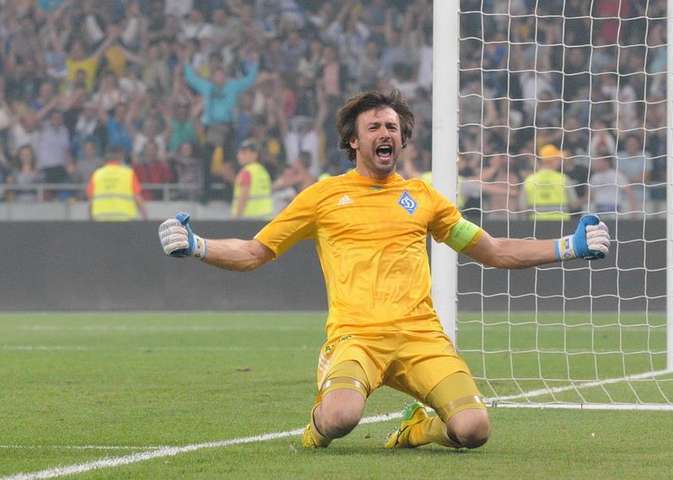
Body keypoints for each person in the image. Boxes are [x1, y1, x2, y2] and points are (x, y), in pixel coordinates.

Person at [158, 90, 610, 450]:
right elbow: (256, 251)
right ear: (354, 141)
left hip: (421, 338)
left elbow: (492, 251)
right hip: (357, 338)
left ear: (402, 139)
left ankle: (417, 430)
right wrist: (199, 246)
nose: (384, 132)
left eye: (392, 126)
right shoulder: (322, 197)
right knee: (341, 418)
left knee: (474, 430)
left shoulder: (424, 199)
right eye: (373, 126)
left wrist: (566, 246)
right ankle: (318, 424)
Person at [87, 147, 146, 221]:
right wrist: (145, 218)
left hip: (101, 220)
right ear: (121, 157)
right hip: (124, 220)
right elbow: (137, 198)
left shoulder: (97, 174)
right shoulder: (129, 174)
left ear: (106, 158)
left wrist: (90, 220)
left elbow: (91, 200)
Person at [523, 144, 576, 221]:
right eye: (558, 159)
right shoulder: (563, 179)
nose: (560, 161)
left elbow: (522, 207)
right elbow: (574, 204)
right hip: (561, 224)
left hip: (536, 224)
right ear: (552, 161)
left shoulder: (529, 180)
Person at [230, 139, 273, 219]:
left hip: (248, 219)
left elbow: (243, 198)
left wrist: (235, 218)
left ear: (255, 155)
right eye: (239, 153)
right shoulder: (263, 171)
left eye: (244, 153)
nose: (239, 156)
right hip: (265, 217)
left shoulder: (247, 172)